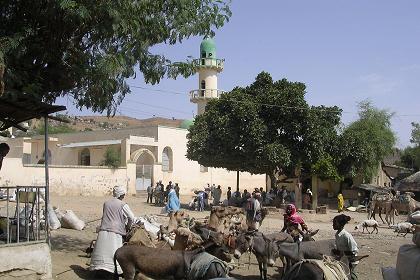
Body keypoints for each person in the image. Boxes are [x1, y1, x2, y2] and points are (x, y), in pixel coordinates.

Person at [90, 186, 137, 275]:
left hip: (104, 229)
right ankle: (115, 270)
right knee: (114, 250)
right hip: (116, 231)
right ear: (122, 195)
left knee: (102, 249)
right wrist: (127, 226)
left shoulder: (106, 203)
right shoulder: (123, 205)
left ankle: (98, 267)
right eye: (123, 195)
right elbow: (131, 217)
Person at [332, 214, 359, 280]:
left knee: (351, 276)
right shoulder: (337, 235)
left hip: (350, 260)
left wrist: (340, 252)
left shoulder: (346, 236)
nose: (333, 225)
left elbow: (354, 251)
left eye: (335, 223)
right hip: (342, 259)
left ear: (340, 224)